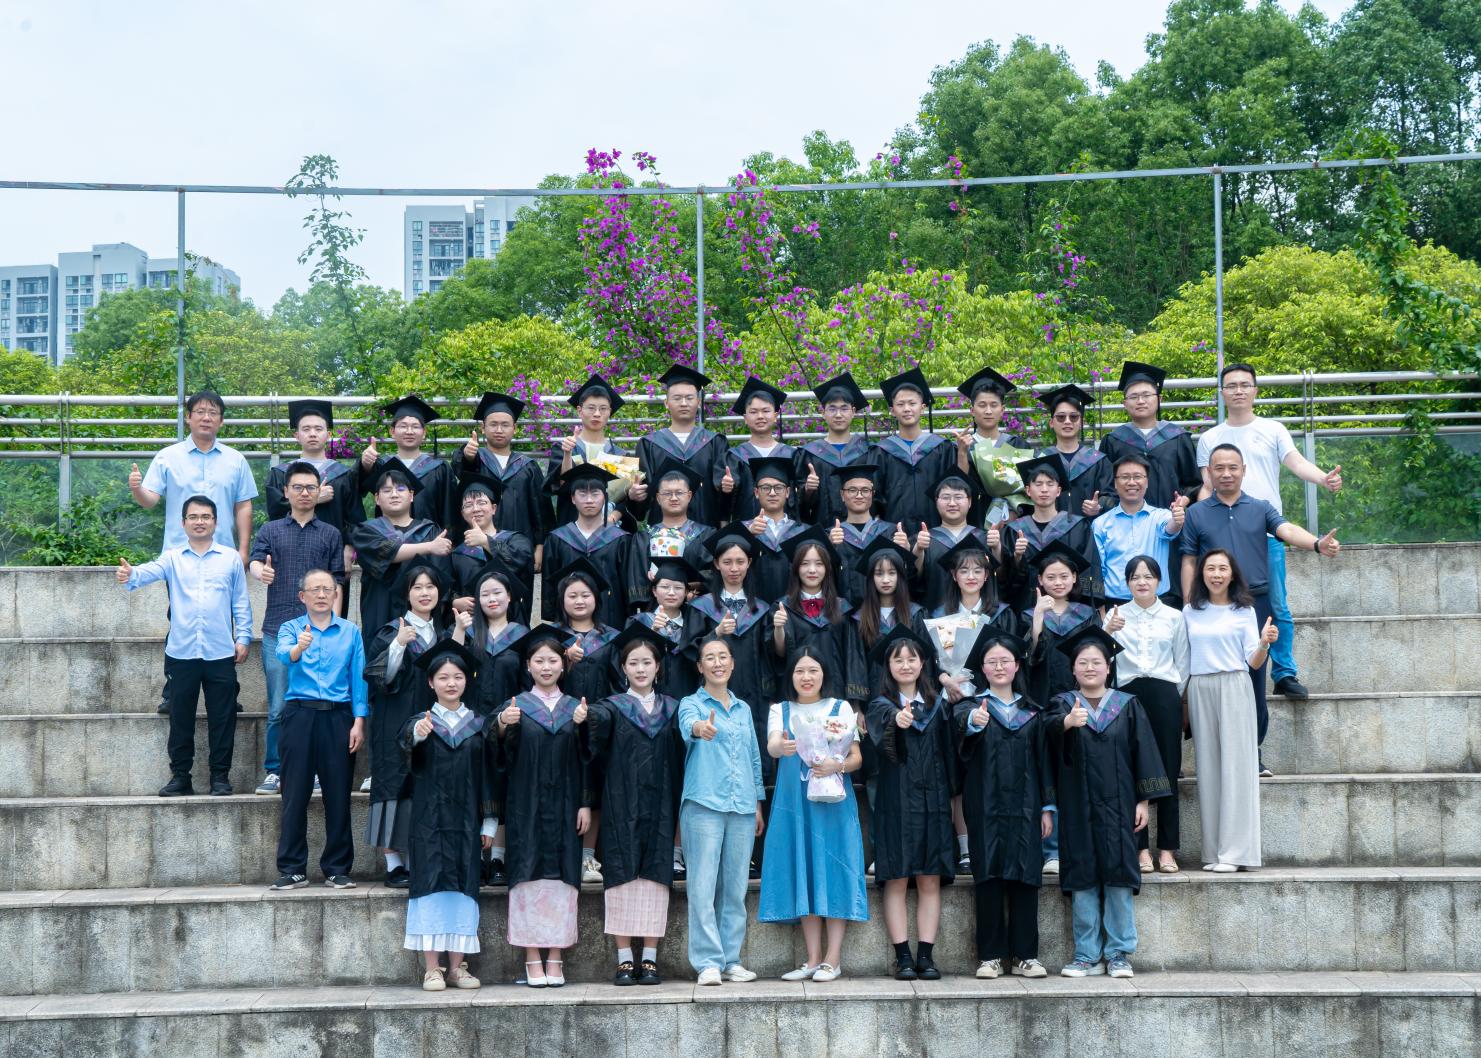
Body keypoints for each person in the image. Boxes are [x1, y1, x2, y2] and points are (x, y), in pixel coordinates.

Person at [1181, 442, 1340, 775]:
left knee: (1253, 677)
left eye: (1233, 467)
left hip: (1254, 602)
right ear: (1209, 472)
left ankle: (1252, 751)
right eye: (1219, 468)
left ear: (1244, 471)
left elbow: (1285, 529)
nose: (1226, 473)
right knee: (1210, 675)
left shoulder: (1260, 507)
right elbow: (1190, 560)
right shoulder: (1196, 513)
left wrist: (1315, 543)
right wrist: (1189, 605)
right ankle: (1215, 751)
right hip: (1211, 605)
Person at [1197, 363, 1344, 700]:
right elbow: (1207, 486)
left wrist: (1323, 478)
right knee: (1220, 603)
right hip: (1222, 537)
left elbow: (1296, 463)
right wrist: (1197, 519)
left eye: (1244, 385)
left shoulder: (1272, 429)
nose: (1238, 390)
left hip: (1266, 533)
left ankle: (1284, 672)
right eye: (1231, 385)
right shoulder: (1209, 438)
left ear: (1255, 390)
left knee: (1277, 605)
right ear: (1222, 393)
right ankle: (1230, 664)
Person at [1049, 624, 1171, 979]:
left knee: (1118, 873)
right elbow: (1043, 745)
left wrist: (1143, 801)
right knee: (1083, 874)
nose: (1090, 668)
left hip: (1119, 805)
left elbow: (1143, 752)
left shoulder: (1127, 705)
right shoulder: (1061, 706)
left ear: (1108, 667)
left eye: (1096, 662)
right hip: (1076, 805)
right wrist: (1065, 723)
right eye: (1083, 662)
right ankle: (1086, 954)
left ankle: (1118, 953)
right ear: (1073, 669)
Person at [127, 389, 257, 712]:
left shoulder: (235, 460)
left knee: (224, 618)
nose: (206, 417)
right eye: (199, 411)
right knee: (179, 618)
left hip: (222, 555)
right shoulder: (168, 456)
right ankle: (173, 692)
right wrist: (137, 489)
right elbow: (150, 500)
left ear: (221, 421)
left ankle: (228, 692)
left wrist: (243, 549)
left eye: (213, 413)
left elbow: (243, 506)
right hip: (179, 556)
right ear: (188, 417)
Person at [117, 496, 252, 796]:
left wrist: (243, 637)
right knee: (180, 718)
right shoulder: (172, 557)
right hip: (182, 652)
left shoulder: (230, 558)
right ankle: (180, 777)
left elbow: (240, 602)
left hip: (220, 652)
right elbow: (146, 573)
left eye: (206, 516)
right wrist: (130, 574)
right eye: (193, 517)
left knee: (223, 718)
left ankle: (220, 777)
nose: (199, 521)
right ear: (183, 523)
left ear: (216, 522)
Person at [583, 624, 685, 986]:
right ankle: (625, 959)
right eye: (633, 663)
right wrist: (585, 718)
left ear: (658, 667)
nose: (640, 669)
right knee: (622, 876)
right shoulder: (611, 707)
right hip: (621, 803)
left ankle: (651, 958)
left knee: (656, 876)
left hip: (661, 802)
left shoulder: (674, 708)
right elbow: (593, 740)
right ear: (623, 668)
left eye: (647, 662)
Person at [761, 647, 868, 983]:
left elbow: (856, 757)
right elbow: (773, 745)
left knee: (833, 867)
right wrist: (782, 747)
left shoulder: (841, 708)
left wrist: (838, 765)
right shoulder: (780, 710)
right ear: (790, 676)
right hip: (795, 801)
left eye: (813, 670)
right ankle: (812, 958)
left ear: (824, 674)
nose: (806, 677)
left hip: (833, 801)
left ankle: (832, 960)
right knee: (803, 867)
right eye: (799, 671)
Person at [954, 629, 1053, 980]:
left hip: (1027, 805)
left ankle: (1026, 955)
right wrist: (973, 723)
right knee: (988, 874)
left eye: (1005, 661)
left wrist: (1047, 807)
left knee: (1027, 875)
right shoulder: (970, 707)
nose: (998, 667)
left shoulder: (1032, 711)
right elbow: (957, 737)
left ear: (1017, 666)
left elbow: (1044, 762)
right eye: (991, 662)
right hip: (984, 804)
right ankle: (991, 956)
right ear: (982, 668)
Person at [497, 626, 591, 988]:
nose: (546, 667)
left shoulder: (576, 708)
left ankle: (556, 955)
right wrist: (501, 725)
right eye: (539, 661)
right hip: (526, 805)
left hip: (567, 804)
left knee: (562, 880)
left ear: (563, 665)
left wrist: (585, 803)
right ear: (528, 666)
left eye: (553, 660)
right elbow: (496, 753)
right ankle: (531, 956)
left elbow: (588, 760)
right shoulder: (516, 706)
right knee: (527, 875)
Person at [401, 640, 495, 992]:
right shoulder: (421, 723)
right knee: (430, 889)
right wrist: (416, 736)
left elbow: (489, 776)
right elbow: (404, 750)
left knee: (464, 890)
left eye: (457, 676)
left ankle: (457, 967)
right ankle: (432, 969)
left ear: (466, 681)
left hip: (468, 821)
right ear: (431, 683)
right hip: (429, 821)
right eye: (443, 677)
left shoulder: (479, 724)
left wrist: (489, 820)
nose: (451, 683)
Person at [249, 461, 346, 796]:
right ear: (286, 492)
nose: (305, 493)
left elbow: (337, 581)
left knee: (317, 704)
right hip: (278, 629)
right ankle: (275, 770)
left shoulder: (331, 534)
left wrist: (335, 627)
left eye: (310, 487)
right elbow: (255, 560)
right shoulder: (270, 530)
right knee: (279, 706)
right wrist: (259, 571)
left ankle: (314, 771)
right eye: (298, 487)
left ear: (319, 491)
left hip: (319, 631)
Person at [268, 567, 368, 890]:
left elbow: (358, 678)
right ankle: (292, 867)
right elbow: (283, 655)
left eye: (328, 589)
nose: (322, 594)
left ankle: (337, 867)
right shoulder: (291, 628)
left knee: (338, 793)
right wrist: (299, 647)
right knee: (294, 792)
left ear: (336, 594)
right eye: (315, 589)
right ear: (303, 596)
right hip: (299, 715)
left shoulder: (350, 632)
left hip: (338, 717)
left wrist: (359, 721)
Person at [866, 626, 954, 981]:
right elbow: (878, 744)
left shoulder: (938, 706)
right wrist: (895, 722)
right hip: (896, 802)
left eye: (912, 658)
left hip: (934, 800)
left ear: (922, 664)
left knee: (930, 878)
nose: (905, 665)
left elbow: (950, 752)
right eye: (897, 659)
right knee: (897, 878)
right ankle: (903, 957)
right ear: (888, 666)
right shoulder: (880, 706)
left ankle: (926, 957)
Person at [678, 635, 766, 986]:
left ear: (732, 663)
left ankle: (731, 959)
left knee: (735, 888)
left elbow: (754, 757)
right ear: (700, 666)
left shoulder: (743, 709)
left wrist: (757, 802)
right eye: (710, 658)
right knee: (702, 886)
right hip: (704, 803)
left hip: (742, 806)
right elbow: (689, 726)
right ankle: (707, 962)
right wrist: (702, 728)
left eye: (723, 656)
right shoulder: (691, 703)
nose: (718, 663)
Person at [1184, 549, 1276, 873]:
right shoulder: (1190, 611)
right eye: (1210, 568)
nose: (1216, 574)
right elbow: (1184, 656)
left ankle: (1237, 854)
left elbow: (1253, 661)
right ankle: (1215, 852)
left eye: (1223, 568)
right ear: (1202, 574)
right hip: (1200, 687)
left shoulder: (1244, 610)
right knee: (1208, 769)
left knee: (1237, 769)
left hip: (1235, 685)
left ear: (1232, 573)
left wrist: (1264, 643)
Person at [362, 564, 449, 888]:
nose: (425, 593)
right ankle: (393, 863)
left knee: (423, 786)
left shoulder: (443, 633)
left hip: (433, 721)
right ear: (407, 594)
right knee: (393, 784)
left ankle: (415, 859)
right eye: (417, 587)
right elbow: (379, 678)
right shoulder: (390, 631)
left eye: (430, 587)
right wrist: (398, 644)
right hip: (394, 720)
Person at [1106, 555, 1189, 874]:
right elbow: (1102, 660)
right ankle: (1140, 850)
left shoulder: (1174, 617)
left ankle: (1167, 850)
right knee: (1131, 770)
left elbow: (1183, 662)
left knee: (1168, 769)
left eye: (1148, 576)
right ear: (1127, 582)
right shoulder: (1115, 615)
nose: (1142, 582)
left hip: (1165, 694)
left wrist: (1173, 696)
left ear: (1159, 580)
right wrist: (1108, 631)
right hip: (1128, 695)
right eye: (1135, 577)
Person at [691, 526, 775, 794]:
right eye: (727, 562)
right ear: (716, 564)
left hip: (754, 695)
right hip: (714, 696)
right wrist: (715, 633)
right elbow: (689, 651)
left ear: (749, 563)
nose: (734, 568)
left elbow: (774, 654)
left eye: (740, 561)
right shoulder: (702, 607)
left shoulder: (762, 609)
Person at [348, 458, 452, 652]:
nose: (394, 494)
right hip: (380, 610)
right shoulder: (366, 531)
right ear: (377, 498)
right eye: (387, 490)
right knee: (381, 662)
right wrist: (429, 547)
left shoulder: (431, 531)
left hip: (423, 614)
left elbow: (441, 581)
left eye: (400, 489)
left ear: (411, 496)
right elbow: (388, 552)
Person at [263, 399, 362, 583]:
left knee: (331, 598)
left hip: (333, 554)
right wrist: (315, 498)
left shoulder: (343, 474)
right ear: (297, 435)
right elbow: (275, 512)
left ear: (328, 434)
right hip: (289, 552)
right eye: (306, 429)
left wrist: (349, 550)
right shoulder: (280, 473)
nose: (312, 434)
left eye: (318, 429)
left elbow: (355, 517)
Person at [459, 391, 550, 589]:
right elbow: (462, 470)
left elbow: (540, 510)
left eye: (505, 424)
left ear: (514, 428)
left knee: (517, 599)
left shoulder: (528, 466)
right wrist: (467, 456)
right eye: (493, 424)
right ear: (483, 428)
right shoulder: (476, 459)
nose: (499, 429)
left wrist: (540, 546)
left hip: (518, 550)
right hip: (478, 548)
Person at [998, 456, 1102, 614]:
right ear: (1028, 490)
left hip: (1070, 613)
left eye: (1050, 484)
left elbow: (1089, 568)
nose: (1044, 489)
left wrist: (1084, 607)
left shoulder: (1078, 527)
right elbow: (1005, 581)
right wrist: (1017, 558)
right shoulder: (1013, 531)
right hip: (1026, 611)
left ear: (1058, 491)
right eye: (1038, 484)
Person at [633, 365, 732, 527]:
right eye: (677, 398)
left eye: (689, 398)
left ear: (698, 403)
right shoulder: (648, 445)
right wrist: (635, 495)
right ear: (666, 403)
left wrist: (727, 487)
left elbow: (724, 498)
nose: (684, 403)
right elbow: (642, 502)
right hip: (662, 534)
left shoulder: (715, 442)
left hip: (706, 530)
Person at [1099, 363, 1201, 512]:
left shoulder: (1178, 438)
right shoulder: (1113, 441)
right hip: (1126, 521)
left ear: (1159, 399)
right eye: (1133, 397)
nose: (1140, 401)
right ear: (1125, 403)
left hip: (1170, 519)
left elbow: (1193, 483)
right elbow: (1106, 487)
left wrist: (1183, 501)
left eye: (1146, 395)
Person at [541, 464, 632, 629]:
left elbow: (626, 588)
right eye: (582, 494)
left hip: (612, 623)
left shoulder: (621, 540)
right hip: (568, 625)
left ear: (605, 497)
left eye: (595, 493)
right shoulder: (557, 539)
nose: (589, 500)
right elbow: (551, 588)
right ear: (573, 498)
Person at [548, 373, 644, 527]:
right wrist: (567, 454)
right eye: (591, 408)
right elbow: (562, 486)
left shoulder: (620, 455)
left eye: (603, 409)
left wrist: (612, 518)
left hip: (611, 532)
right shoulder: (565, 448)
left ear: (609, 412)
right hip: (571, 530)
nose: (597, 414)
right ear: (579, 411)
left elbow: (625, 499)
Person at [1091, 453, 1187, 606]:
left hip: (1157, 603)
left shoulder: (1160, 516)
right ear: (1115, 483)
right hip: (1116, 604)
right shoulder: (1100, 524)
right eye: (1125, 477)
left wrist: (1177, 520)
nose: (1131, 482)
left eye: (1137, 476)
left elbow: (1170, 528)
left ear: (1147, 482)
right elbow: (1098, 569)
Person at [846, 538, 932, 705]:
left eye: (892, 573)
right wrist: (858, 707)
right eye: (879, 574)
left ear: (900, 576)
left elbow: (926, 662)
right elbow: (856, 665)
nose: (885, 580)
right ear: (871, 578)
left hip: (913, 699)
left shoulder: (916, 614)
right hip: (875, 701)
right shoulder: (859, 619)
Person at [771, 530, 851, 701]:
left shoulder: (841, 607)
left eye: (819, 564)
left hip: (835, 691)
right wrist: (778, 628)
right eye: (805, 564)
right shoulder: (783, 607)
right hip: (798, 693)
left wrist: (855, 703)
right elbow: (780, 653)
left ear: (827, 568)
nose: (812, 570)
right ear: (796, 568)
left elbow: (851, 656)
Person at [875, 366, 957, 531]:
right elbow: (875, 497)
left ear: (922, 407)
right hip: (895, 533)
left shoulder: (942, 448)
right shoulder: (881, 452)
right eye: (900, 404)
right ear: (892, 411)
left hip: (936, 533)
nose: (907, 409)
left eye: (912, 403)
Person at [359, 394, 456, 531]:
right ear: (392, 431)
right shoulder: (381, 465)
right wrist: (366, 465)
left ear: (424, 432)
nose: (409, 431)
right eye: (403, 426)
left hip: (431, 540)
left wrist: (447, 539)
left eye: (415, 426)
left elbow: (449, 511)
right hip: (387, 539)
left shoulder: (440, 469)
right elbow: (357, 489)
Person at [625, 462, 713, 611]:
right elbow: (637, 581)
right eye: (667, 493)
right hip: (654, 613)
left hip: (695, 610)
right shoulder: (644, 538)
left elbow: (713, 575)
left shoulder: (705, 535)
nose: (673, 498)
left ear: (689, 496)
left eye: (679, 493)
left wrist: (688, 587)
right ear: (658, 498)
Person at [954, 365, 1033, 527]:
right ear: (972, 410)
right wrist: (962, 453)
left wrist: (1014, 511)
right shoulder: (963, 446)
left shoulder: (1018, 445)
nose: (988, 411)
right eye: (982, 405)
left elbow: (1030, 488)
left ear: (1002, 410)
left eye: (994, 405)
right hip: (975, 522)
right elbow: (957, 488)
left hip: (1015, 522)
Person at [448, 472, 534, 618]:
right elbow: (451, 588)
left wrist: (485, 541)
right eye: (468, 505)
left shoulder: (516, 540)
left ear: (494, 508)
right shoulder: (457, 553)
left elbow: (519, 565)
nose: (475, 509)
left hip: (510, 621)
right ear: (462, 513)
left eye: (481, 502)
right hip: (473, 623)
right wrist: (455, 601)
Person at [799, 371, 876, 528]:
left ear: (853, 412)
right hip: (823, 530)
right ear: (823, 413)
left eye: (844, 408)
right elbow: (799, 504)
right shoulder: (809, 454)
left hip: (863, 531)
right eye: (832, 409)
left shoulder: (868, 451)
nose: (838, 415)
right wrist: (807, 489)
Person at [625, 556, 706, 702]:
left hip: (688, 699)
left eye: (678, 588)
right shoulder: (638, 622)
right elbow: (629, 660)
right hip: (649, 700)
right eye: (665, 587)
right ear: (654, 591)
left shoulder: (695, 626)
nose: (671, 592)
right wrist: (653, 631)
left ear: (686, 592)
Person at [725, 376, 800, 523]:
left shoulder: (792, 455)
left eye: (766, 411)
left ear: (775, 416)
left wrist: (809, 488)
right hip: (747, 531)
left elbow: (801, 502)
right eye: (753, 412)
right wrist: (726, 489)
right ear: (745, 418)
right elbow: (726, 506)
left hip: (786, 531)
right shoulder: (735, 456)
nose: (760, 416)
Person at [1037, 384, 1112, 518]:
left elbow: (1111, 495)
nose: (1067, 421)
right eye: (1061, 417)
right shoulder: (1040, 459)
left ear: (1081, 422)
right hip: (1050, 529)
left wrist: (1099, 506)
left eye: (1074, 417)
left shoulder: (1098, 461)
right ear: (1051, 423)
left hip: (1088, 529)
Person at [741, 455, 809, 603]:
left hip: (794, 609)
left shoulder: (804, 532)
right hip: (753, 609)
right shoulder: (742, 530)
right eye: (766, 488)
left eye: (778, 487)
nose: (772, 493)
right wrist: (748, 535)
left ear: (787, 492)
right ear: (756, 492)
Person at [828, 463, 895, 607]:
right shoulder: (832, 535)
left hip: (880, 611)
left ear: (872, 494)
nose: (859, 495)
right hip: (844, 613)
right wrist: (829, 548)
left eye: (865, 490)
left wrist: (905, 550)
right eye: (852, 490)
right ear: (842, 495)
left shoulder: (889, 532)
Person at [916, 474, 983, 614]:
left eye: (958, 497)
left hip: (980, 617)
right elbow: (914, 579)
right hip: (937, 617)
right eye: (946, 497)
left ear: (970, 501)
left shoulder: (984, 538)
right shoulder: (924, 539)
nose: (952, 503)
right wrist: (918, 550)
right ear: (936, 501)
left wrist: (997, 548)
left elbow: (1001, 579)